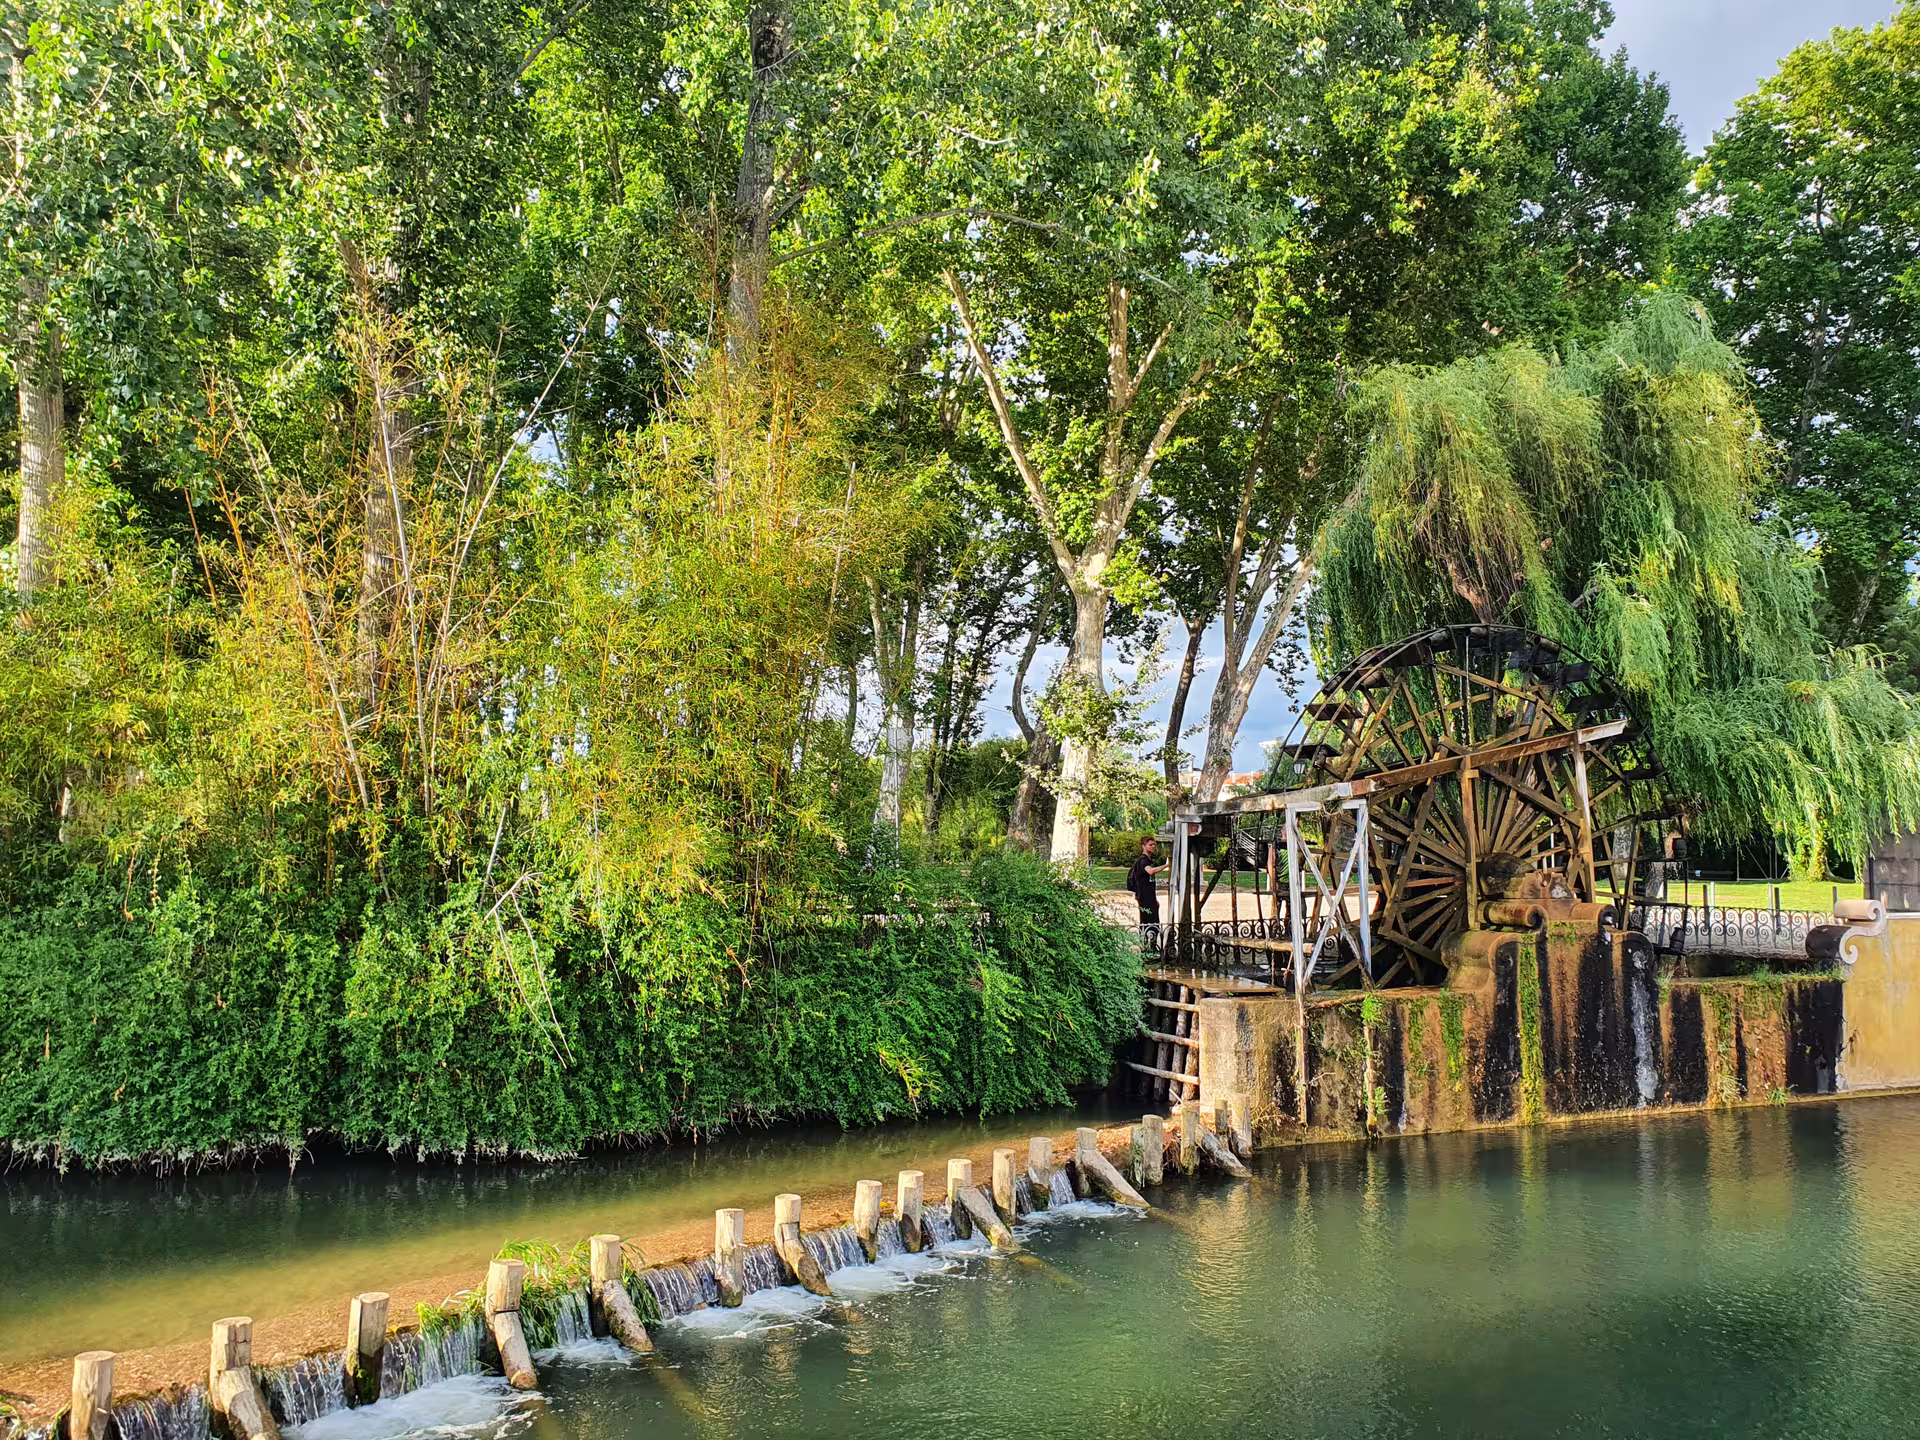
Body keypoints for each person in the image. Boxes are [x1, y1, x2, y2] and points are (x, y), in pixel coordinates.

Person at [1126, 836, 1166, 927]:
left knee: (1153, 919)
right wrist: (1166, 865)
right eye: (1150, 845)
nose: (1153, 847)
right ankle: (1146, 938)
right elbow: (1150, 871)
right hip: (1144, 896)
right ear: (1143, 846)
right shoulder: (1143, 860)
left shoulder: (1149, 860)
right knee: (1147, 920)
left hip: (1150, 895)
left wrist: (1154, 899)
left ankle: (1152, 938)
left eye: (1154, 845)